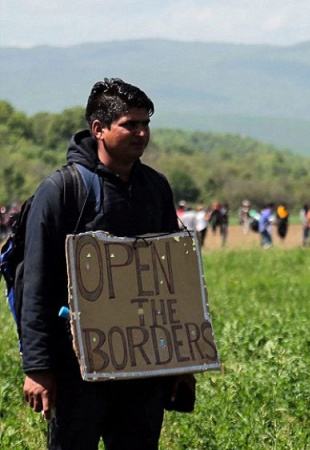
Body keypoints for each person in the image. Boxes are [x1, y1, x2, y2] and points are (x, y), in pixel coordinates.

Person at [20, 78, 195, 450]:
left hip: (144, 367)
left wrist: (183, 362)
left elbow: (174, 280)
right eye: (131, 124)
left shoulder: (156, 188)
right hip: (75, 370)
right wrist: (38, 367)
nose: (142, 133)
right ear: (98, 129)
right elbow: (36, 284)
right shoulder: (61, 191)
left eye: (146, 123)